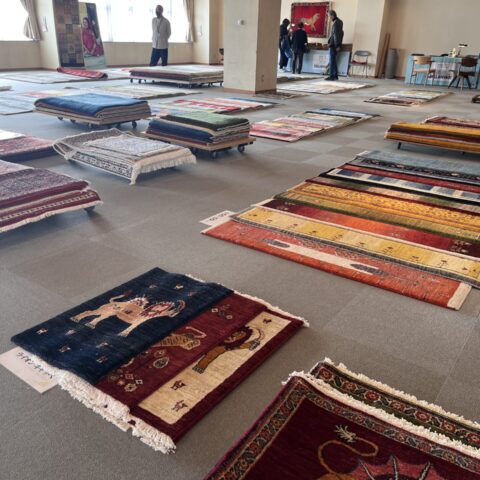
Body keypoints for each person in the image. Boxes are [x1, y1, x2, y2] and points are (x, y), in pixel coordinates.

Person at [326, 10, 344, 80]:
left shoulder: (336, 23)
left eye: (329, 16)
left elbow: (336, 35)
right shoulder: (340, 21)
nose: (328, 18)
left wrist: (337, 45)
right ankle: (335, 75)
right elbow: (341, 33)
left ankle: (331, 76)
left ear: (332, 15)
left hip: (334, 45)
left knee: (331, 61)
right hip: (335, 44)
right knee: (333, 60)